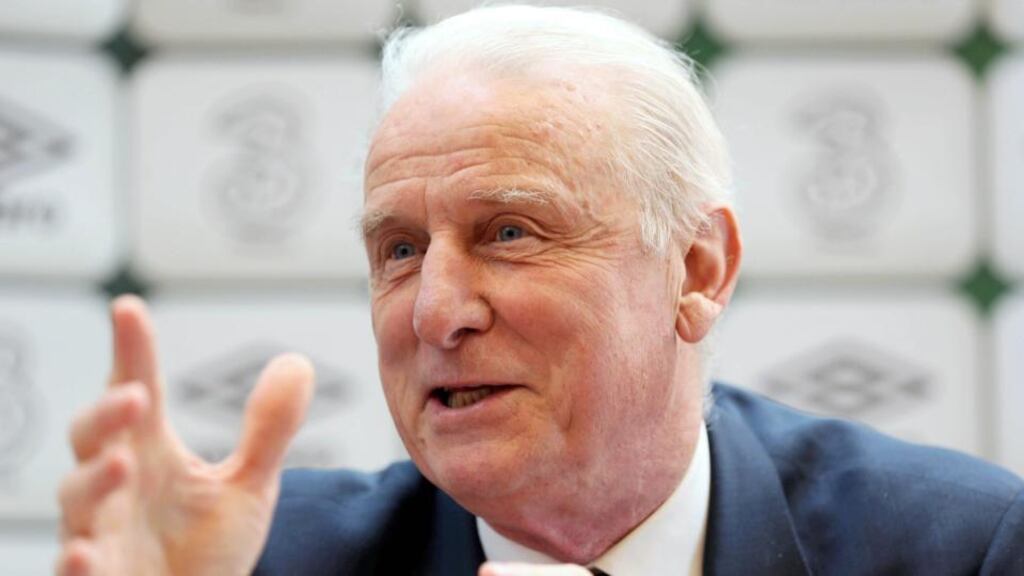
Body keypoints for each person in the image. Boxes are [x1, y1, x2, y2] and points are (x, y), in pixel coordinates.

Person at [56, 5, 1023, 576]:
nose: (437, 311)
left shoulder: (959, 548)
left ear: (696, 272)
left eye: (509, 233)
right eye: (398, 250)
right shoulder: (257, 559)